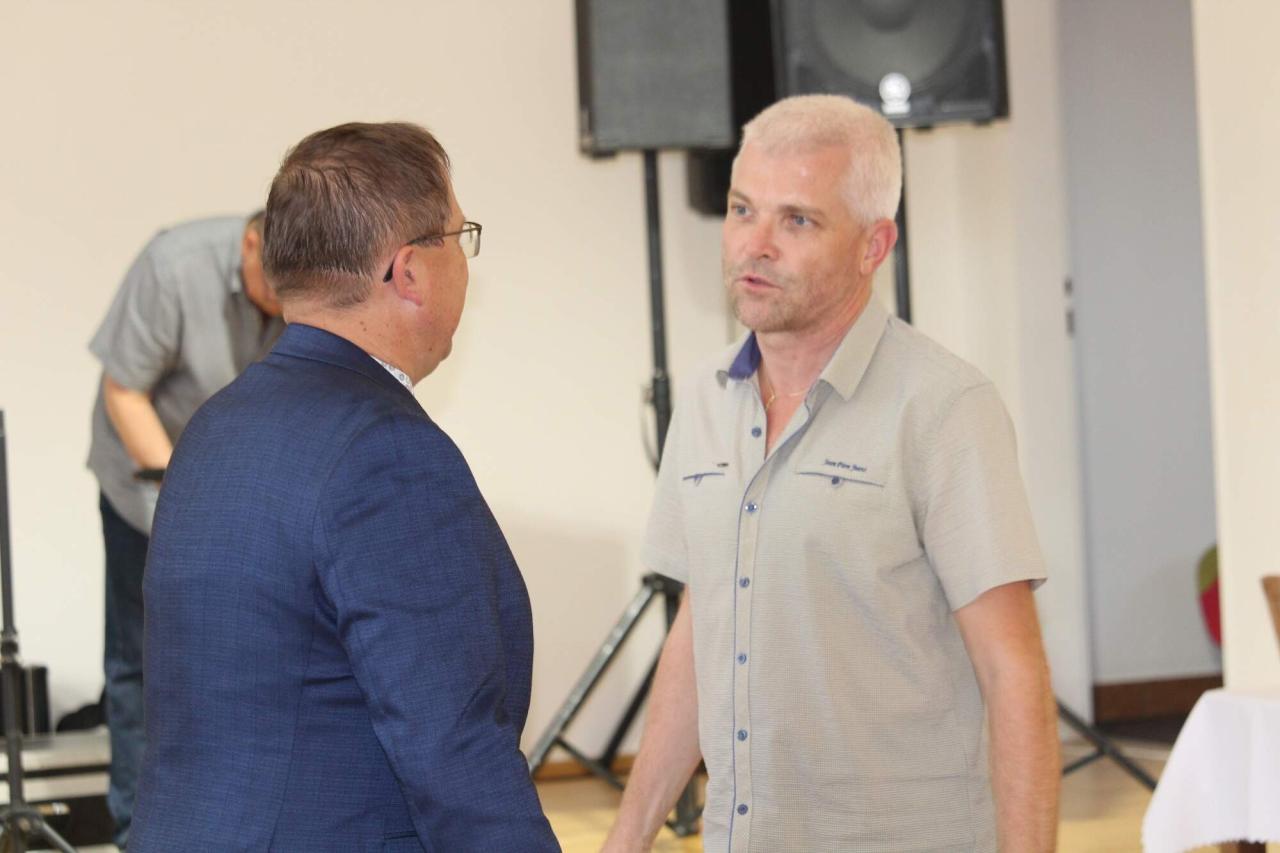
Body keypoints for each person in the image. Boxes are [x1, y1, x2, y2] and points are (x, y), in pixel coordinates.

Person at [604, 95, 1061, 852]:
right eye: (742, 210)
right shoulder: (705, 400)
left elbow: (1012, 671)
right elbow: (699, 630)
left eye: (798, 220)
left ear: (873, 245)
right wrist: (625, 841)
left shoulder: (945, 407)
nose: (755, 245)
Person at [128, 121, 559, 852]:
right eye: (460, 236)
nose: (465, 260)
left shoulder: (212, 428)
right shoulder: (389, 453)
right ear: (410, 270)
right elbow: (453, 749)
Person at [87, 209, 284, 847]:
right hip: (146, 489)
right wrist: (193, 502)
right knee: (140, 663)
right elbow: (124, 393)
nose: (282, 303)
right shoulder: (173, 268)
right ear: (249, 244)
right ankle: (134, 831)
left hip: (233, 500)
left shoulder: (298, 273)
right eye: (273, 286)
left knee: (242, 661)